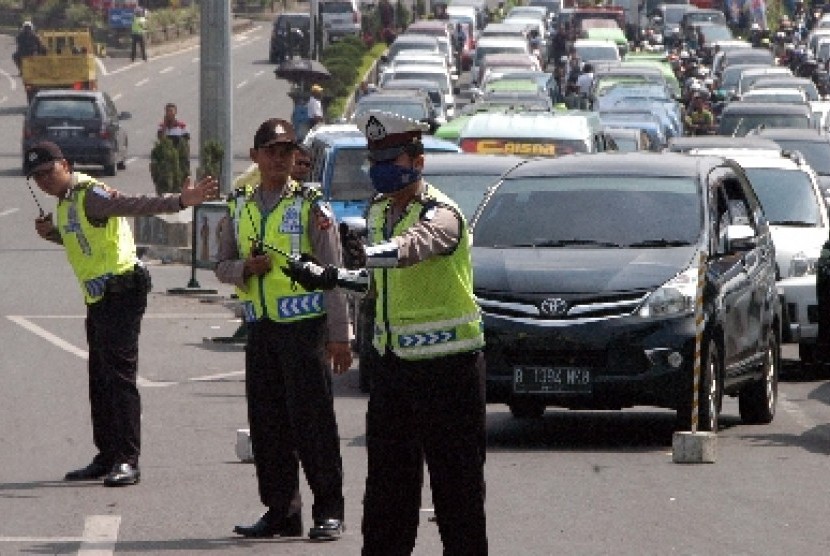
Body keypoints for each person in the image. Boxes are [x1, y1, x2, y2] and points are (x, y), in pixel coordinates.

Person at [282, 110, 488, 555]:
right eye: (374, 158)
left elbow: (414, 247)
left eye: (391, 158)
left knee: (458, 496)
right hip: (393, 373)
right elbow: (373, 282)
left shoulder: (442, 214)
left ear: (418, 161)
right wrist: (326, 275)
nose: (381, 168)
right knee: (386, 501)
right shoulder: (377, 211)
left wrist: (368, 252)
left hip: (448, 372)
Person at [29, 140, 218, 487]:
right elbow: (83, 241)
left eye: (47, 172)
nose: (43, 181)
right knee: (99, 380)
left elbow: (133, 204)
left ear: (65, 165)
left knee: (119, 379)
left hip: (122, 291)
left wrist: (178, 202)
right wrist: (53, 234)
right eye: (36, 177)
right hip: (99, 298)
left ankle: (128, 459)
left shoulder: (91, 194)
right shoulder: (66, 203)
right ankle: (107, 454)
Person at [215, 119, 351, 541]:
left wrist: (339, 334)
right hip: (261, 329)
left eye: (287, 151)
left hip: (304, 329)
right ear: (255, 157)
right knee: (268, 424)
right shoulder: (239, 204)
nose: (280, 158)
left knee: (313, 424)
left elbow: (333, 273)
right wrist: (244, 269)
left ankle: (328, 509)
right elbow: (221, 265)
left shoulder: (310, 205)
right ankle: (281, 510)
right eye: (271, 151)